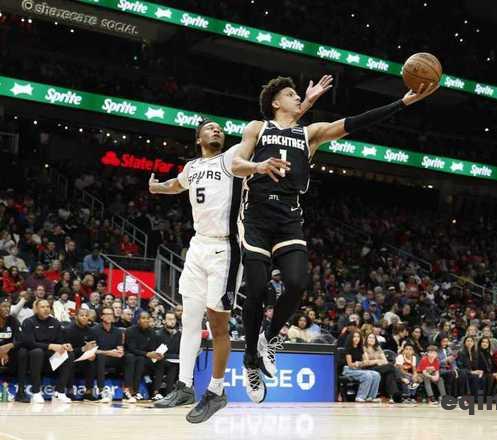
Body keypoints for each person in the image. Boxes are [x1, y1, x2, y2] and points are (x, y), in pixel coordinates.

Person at [230, 75, 438, 399]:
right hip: (256, 215)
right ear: (275, 102)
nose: (298, 97)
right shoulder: (258, 128)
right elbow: (235, 164)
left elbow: (354, 122)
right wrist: (257, 167)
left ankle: (269, 338)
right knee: (256, 289)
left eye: (299, 95)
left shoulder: (309, 134)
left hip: (288, 216)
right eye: (291, 94)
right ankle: (249, 363)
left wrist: (402, 102)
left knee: (297, 282)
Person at [145, 78, 329, 415]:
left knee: (217, 323)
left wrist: (304, 106)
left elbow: (279, 130)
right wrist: (157, 188)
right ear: (198, 139)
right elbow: (176, 185)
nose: (216, 130)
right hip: (197, 246)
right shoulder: (192, 167)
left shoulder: (233, 155)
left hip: (226, 248)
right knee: (190, 318)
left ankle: (218, 389)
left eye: (219, 128)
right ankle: (184, 386)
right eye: (209, 129)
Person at [21, 298, 73, 403]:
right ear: (36, 309)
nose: (46, 309)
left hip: (50, 358)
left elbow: (60, 341)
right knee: (37, 352)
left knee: (69, 354)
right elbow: (29, 343)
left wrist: (65, 346)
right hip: (34, 356)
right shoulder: (29, 322)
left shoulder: (55, 322)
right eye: (42, 307)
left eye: (48, 307)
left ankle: (59, 392)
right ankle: (36, 392)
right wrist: (50, 346)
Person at [124, 311, 165, 402]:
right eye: (143, 318)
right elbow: (131, 349)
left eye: (147, 318)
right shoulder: (130, 331)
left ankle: (156, 392)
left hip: (147, 357)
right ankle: (135, 391)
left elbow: (152, 348)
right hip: (133, 357)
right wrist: (147, 354)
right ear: (138, 320)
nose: (146, 320)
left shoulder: (152, 332)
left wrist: (157, 354)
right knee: (140, 359)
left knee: (161, 361)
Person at [63, 308, 98, 400]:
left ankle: (88, 392)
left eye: (86, 316)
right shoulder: (68, 330)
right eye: (82, 315)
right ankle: (69, 391)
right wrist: (83, 349)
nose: (84, 317)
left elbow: (93, 346)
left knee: (92, 360)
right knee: (69, 358)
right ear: (76, 317)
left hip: (84, 358)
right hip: (70, 357)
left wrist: (92, 353)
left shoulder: (91, 331)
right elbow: (66, 350)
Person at [93, 306, 125, 403]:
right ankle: (101, 391)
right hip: (99, 358)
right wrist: (108, 352)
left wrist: (120, 352)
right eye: (106, 314)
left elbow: (120, 348)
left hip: (114, 358)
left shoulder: (118, 331)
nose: (109, 316)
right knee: (101, 357)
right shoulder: (94, 330)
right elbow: (93, 351)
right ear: (101, 316)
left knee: (129, 357)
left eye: (111, 314)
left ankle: (129, 390)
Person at [0, 299, 28, 402]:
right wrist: (1, 352)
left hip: (10, 352)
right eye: (4, 306)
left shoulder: (13, 320)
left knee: (22, 352)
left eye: (8, 306)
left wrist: (9, 346)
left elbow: (21, 339)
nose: (7, 309)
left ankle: (21, 392)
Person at [363, 333, 401, 403]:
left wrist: (377, 361)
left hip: (380, 367)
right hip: (369, 368)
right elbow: (367, 362)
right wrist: (377, 361)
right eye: (370, 338)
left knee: (389, 373)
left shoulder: (378, 347)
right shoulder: (364, 348)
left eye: (373, 338)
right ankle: (399, 380)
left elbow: (385, 361)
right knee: (391, 366)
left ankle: (394, 395)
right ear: (366, 339)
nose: (371, 339)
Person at [343, 331, 380, 402]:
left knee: (376, 374)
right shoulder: (348, 348)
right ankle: (360, 396)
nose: (356, 338)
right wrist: (360, 363)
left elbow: (366, 361)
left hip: (358, 369)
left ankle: (371, 397)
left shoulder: (361, 348)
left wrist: (359, 363)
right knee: (367, 375)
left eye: (358, 337)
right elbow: (350, 364)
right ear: (351, 338)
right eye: (354, 337)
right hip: (348, 370)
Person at [157, 311, 181, 397]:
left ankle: (169, 394)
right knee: (162, 364)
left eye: (174, 319)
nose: (172, 321)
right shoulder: (158, 334)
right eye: (169, 319)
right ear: (164, 321)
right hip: (160, 360)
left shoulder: (179, 334)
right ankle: (156, 392)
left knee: (174, 366)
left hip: (175, 360)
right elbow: (157, 352)